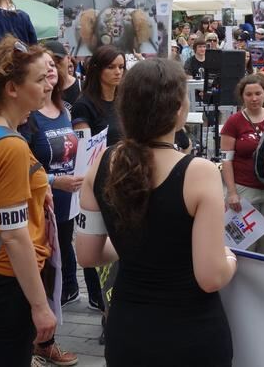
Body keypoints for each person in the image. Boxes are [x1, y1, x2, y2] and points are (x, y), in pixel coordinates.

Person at [77, 58, 235, 366]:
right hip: (190, 334)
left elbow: (87, 254)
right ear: (178, 108)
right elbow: (210, 277)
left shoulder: (101, 164)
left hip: (127, 331)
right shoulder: (198, 172)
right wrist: (229, 258)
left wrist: (136, 246)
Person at [0, 38, 58, 366]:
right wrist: (39, 305)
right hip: (10, 276)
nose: (48, 84)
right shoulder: (10, 147)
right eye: (39, 79)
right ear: (12, 89)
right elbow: (14, 234)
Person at [19, 49, 84, 322]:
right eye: (45, 68)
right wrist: (55, 181)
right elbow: (24, 166)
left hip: (69, 193)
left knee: (65, 244)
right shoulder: (28, 117)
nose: (51, 71)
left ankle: (67, 290)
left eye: (54, 65)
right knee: (45, 251)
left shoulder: (64, 110)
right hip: (42, 197)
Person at [71, 45, 125, 310]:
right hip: (98, 183)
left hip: (126, 182)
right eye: (112, 67)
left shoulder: (124, 99)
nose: (118, 72)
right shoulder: (85, 104)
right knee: (96, 241)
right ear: (97, 69)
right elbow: (84, 148)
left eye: (121, 67)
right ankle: (100, 300)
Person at [219, 74, 264, 255]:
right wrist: (231, 192)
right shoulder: (234, 122)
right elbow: (226, 159)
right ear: (242, 96)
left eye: (257, 93)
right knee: (244, 245)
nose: (254, 98)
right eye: (248, 94)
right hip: (243, 190)